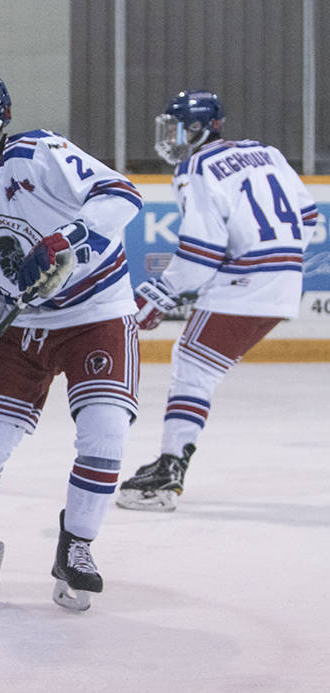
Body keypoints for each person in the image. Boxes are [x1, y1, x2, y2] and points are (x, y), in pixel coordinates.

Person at [0, 69, 143, 612]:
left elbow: (122, 196)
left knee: (105, 431)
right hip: (21, 325)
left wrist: (69, 242)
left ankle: (78, 546)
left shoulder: (39, 153)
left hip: (97, 312)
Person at [117, 91, 318, 512]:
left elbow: (202, 251)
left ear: (200, 129)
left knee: (191, 365)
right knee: (195, 362)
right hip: (285, 279)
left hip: (247, 281)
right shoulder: (268, 153)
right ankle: (171, 463)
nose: (170, 138)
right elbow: (310, 217)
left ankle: (170, 470)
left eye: (176, 128)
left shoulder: (197, 167)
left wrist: (162, 293)